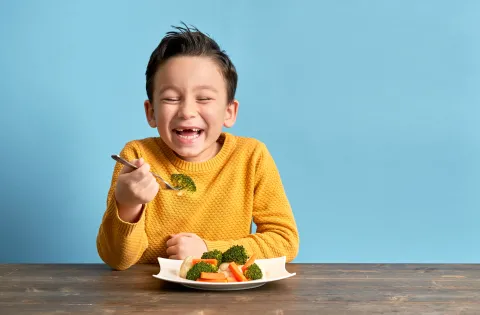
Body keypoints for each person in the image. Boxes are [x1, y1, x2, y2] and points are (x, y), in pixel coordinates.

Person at [96, 23, 299, 270]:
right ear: (151, 113)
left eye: (203, 98)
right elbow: (118, 260)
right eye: (171, 98)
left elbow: (285, 241)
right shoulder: (137, 157)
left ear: (229, 112)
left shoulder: (251, 156)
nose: (187, 112)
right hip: (149, 301)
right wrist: (127, 204)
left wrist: (208, 250)